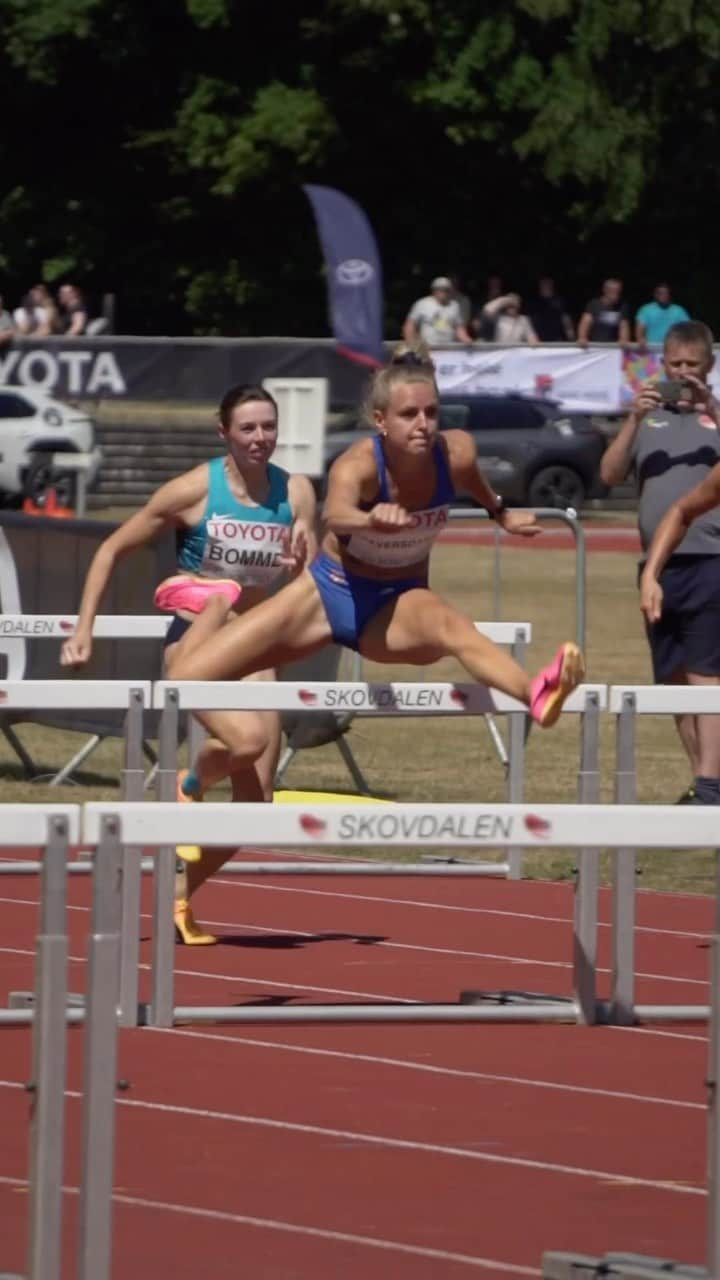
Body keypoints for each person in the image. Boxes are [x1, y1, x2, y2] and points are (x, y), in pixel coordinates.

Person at [170, 349, 585, 749]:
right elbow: (334, 515)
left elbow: (477, 484)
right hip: (328, 593)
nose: (423, 424)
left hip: (397, 602)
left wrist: (502, 514)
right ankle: (214, 756)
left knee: (453, 626)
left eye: (432, 413)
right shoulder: (359, 464)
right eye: (409, 414)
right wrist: (370, 519)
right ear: (380, 420)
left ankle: (535, 694)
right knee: (189, 678)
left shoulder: (456, 451)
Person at [60, 384, 317, 939]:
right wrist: (84, 630)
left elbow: (307, 572)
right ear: (223, 432)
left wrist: (304, 554)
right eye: (247, 428)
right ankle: (191, 781)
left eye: (268, 426)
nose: (260, 438)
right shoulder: (194, 489)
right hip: (198, 640)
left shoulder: (296, 491)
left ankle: (179, 893)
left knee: (257, 801)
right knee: (245, 743)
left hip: (256, 641)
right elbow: (110, 549)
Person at [601, 321, 720, 805]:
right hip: (656, 565)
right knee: (670, 677)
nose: (684, 374)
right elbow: (608, 475)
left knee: (705, 673)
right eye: (676, 365)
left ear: (709, 368)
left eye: (694, 366)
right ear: (662, 365)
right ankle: (704, 780)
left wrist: (711, 406)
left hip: (710, 557)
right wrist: (633, 419)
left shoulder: (714, 418)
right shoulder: (649, 420)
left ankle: (711, 785)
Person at [403, 277, 473, 347]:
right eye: (440, 289)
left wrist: (466, 339)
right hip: (427, 348)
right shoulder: (422, 304)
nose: (443, 292)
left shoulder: (454, 306)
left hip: (448, 349)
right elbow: (410, 325)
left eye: (446, 290)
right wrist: (411, 343)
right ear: (433, 290)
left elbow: (459, 327)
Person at [577, 278, 631, 345]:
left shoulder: (622, 306)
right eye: (613, 291)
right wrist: (582, 338)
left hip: (613, 346)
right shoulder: (594, 305)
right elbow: (585, 323)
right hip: (595, 345)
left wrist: (624, 339)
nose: (616, 294)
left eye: (618, 291)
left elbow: (624, 326)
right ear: (605, 290)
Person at [529, 277, 574, 343]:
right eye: (543, 284)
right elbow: (529, 321)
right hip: (539, 340)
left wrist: (571, 336)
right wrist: (532, 337)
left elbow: (566, 319)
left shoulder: (559, 301)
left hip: (557, 339)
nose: (546, 286)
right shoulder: (533, 302)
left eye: (548, 284)